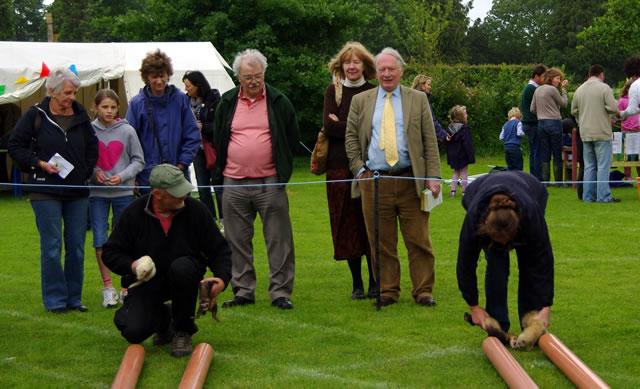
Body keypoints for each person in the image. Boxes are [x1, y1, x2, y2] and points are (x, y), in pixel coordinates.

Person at [345, 47, 442, 307]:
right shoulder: (361, 101)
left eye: (391, 69)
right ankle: (388, 290)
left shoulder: (418, 99)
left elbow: (429, 141)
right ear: (375, 72)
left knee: (419, 240)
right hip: (375, 182)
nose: (386, 74)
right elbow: (351, 139)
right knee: (381, 241)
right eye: (382, 69)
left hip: (411, 180)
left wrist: (433, 177)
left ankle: (423, 291)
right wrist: (359, 170)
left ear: (401, 71)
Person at [102, 164, 231, 357]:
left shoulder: (196, 210)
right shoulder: (134, 213)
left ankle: (183, 330)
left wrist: (221, 279)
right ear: (157, 193)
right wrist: (133, 265)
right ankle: (166, 318)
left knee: (182, 268)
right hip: (148, 282)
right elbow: (110, 252)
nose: (184, 196)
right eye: (176, 193)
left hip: (184, 277)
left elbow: (219, 250)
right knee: (133, 331)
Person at [213, 49, 300, 310]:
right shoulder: (227, 102)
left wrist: (280, 170)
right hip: (234, 181)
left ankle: (280, 292)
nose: (253, 81)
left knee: (278, 239)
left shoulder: (279, 100)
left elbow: (291, 136)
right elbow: (219, 137)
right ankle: (243, 290)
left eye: (258, 75)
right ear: (238, 76)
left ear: (264, 74)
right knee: (236, 239)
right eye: (248, 76)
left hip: (269, 182)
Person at [8, 67, 98, 313]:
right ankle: (56, 300)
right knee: (51, 246)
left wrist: (86, 170)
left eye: (74, 92)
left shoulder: (81, 116)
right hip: (44, 189)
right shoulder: (34, 116)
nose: (72, 97)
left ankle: (74, 299)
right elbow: (15, 146)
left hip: (77, 190)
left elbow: (92, 147)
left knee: (77, 246)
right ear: (52, 91)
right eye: (68, 93)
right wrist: (38, 163)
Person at [456, 171, 554, 333]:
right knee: (497, 266)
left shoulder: (530, 215)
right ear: (486, 224)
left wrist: (546, 306)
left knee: (529, 263)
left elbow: (543, 259)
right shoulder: (475, 217)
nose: (505, 246)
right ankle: (497, 325)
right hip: (480, 189)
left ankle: (531, 324)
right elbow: (465, 262)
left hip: (530, 189)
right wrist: (473, 307)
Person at [323, 42, 377, 300]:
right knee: (345, 226)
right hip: (337, 169)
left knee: (371, 223)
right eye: (347, 62)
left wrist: (343, 124)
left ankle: (376, 282)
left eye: (357, 62)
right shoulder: (332, 92)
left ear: (366, 65)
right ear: (340, 66)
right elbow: (329, 128)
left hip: (369, 167)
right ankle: (357, 284)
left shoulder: (376, 92)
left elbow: (375, 130)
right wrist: (356, 127)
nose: (352, 66)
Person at [89, 89, 145, 308]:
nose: (109, 111)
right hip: (98, 194)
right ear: (95, 108)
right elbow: (85, 159)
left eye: (113, 107)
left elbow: (138, 160)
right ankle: (107, 287)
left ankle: (125, 287)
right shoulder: (89, 131)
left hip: (123, 193)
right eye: (104, 107)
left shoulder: (128, 130)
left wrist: (121, 177)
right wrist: (94, 172)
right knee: (100, 239)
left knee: (125, 240)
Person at [125, 49, 200, 191]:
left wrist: (182, 164)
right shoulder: (136, 104)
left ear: (168, 75)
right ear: (147, 77)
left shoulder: (180, 100)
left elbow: (193, 135)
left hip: (178, 174)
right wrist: (132, 175)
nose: (159, 81)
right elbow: (128, 142)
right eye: (154, 76)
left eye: (162, 76)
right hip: (147, 177)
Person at [571, 64, 619, 203]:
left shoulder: (579, 89)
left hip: (585, 132)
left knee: (589, 166)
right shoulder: (604, 88)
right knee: (603, 165)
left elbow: (574, 110)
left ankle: (588, 196)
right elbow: (613, 107)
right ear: (601, 74)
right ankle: (604, 196)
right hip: (601, 131)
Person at [182, 71, 224, 230]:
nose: (186, 89)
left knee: (218, 185)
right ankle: (209, 221)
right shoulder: (185, 101)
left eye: (188, 86)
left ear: (198, 85)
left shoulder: (214, 99)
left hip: (212, 149)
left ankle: (223, 220)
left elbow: (220, 126)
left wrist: (203, 127)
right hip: (197, 151)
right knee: (203, 188)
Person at [530, 68, 568, 185]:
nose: (559, 81)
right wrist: (564, 90)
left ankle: (546, 181)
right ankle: (558, 182)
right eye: (557, 78)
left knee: (545, 152)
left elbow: (532, 109)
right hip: (554, 123)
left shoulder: (537, 90)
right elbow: (564, 103)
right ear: (551, 78)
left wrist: (542, 113)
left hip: (541, 123)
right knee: (557, 152)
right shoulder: (552, 90)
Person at [520, 65, 546, 180]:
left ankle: (534, 176)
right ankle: (537, 177)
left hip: (528, 124)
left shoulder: (530, 88)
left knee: (533, 151)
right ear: (536, 76)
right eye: (543, 77)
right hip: (532, 124)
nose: (544, 80)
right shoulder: (532, 89)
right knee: (536, 151)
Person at [445, 105, 475, 197]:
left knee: (456, 172)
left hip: (453, 155)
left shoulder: (449, 128)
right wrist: (471, 156)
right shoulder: (464, 129)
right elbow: (467, 143)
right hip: (462, 154)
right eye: (465, 114)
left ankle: (453, 191)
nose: (467, 115)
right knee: (464, 172)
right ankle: (464, 192)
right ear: (461, 116)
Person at [411, 75, 449, 141]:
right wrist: (443, 134)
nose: (430, 87)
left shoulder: (410, 97)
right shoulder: (423, 100)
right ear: (422, 85)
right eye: (428, 85)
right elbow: (430, 120)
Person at [617, 79, 640, 180]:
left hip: (638, 131)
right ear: (627, 88)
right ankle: (628, 175)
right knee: (629, 155)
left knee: (638, 155)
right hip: (627, 132)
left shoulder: (637, 100)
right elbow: (618, 115)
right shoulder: (622, 100)